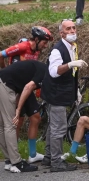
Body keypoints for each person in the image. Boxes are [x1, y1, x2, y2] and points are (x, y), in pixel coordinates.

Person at [0, 26, 53, 165]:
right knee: (17, 121)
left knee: (36, 118)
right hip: (15, 87)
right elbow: (1, 54)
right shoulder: (23, 46)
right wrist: (5, 70)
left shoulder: (36, 51)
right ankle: (12, 158)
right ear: (36, 39)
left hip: (26, 88)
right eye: (44, 42)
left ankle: (32, 154)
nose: (45, 45)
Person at [40, 19, 88, 172]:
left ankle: (48, 157)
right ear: (61, 33)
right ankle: (56, 161)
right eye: (68, 29)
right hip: (56, 94)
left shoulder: (72, 47)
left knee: (53, 126)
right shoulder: (58, 49)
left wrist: (76, 91)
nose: (73, 31)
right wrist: (71, 64)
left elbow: (71, 74)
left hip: (60, 92)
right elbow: (54, 72)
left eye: (74, 28)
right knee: (59, 127)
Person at [0, 60, 47, 173]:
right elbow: (27, 87)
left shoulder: (40, 67)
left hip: (3, 81)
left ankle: (9, 161)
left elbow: (21, 86)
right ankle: (16, 163)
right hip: (6, 84)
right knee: (11, 124)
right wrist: (18, 109)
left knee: (2, 126)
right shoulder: (45, 72)